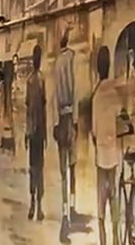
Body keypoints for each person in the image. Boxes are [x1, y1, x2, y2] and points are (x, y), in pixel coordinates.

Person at [91, 47, 120, 245]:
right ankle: (117, 237)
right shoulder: (114, 93)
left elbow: (93, 130)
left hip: (101, 155)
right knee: (115, 196)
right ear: (109, 67)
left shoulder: (96, 95)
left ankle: (103, 240)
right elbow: (120, 118)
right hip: (114, 152)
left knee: (101, 202)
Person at [54, 29, 77, 243]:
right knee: (73, 165)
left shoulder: (56, 63)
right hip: (70, 118)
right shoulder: (71, 59)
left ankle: (64, 212)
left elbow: (54, 97)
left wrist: (54, 122)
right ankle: (71, 206)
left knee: (63, 169)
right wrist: (76, 120)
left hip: (60, 119)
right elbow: (76, 90)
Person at [25, 45, 47, 221]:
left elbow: (28, 109)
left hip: (33, 131)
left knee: (34, 169)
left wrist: (27, 131)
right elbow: (43, 108)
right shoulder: (40, 80)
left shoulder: (30, 80)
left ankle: (34, 204)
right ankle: (36, 205)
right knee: (38, 169)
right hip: (37, 131)